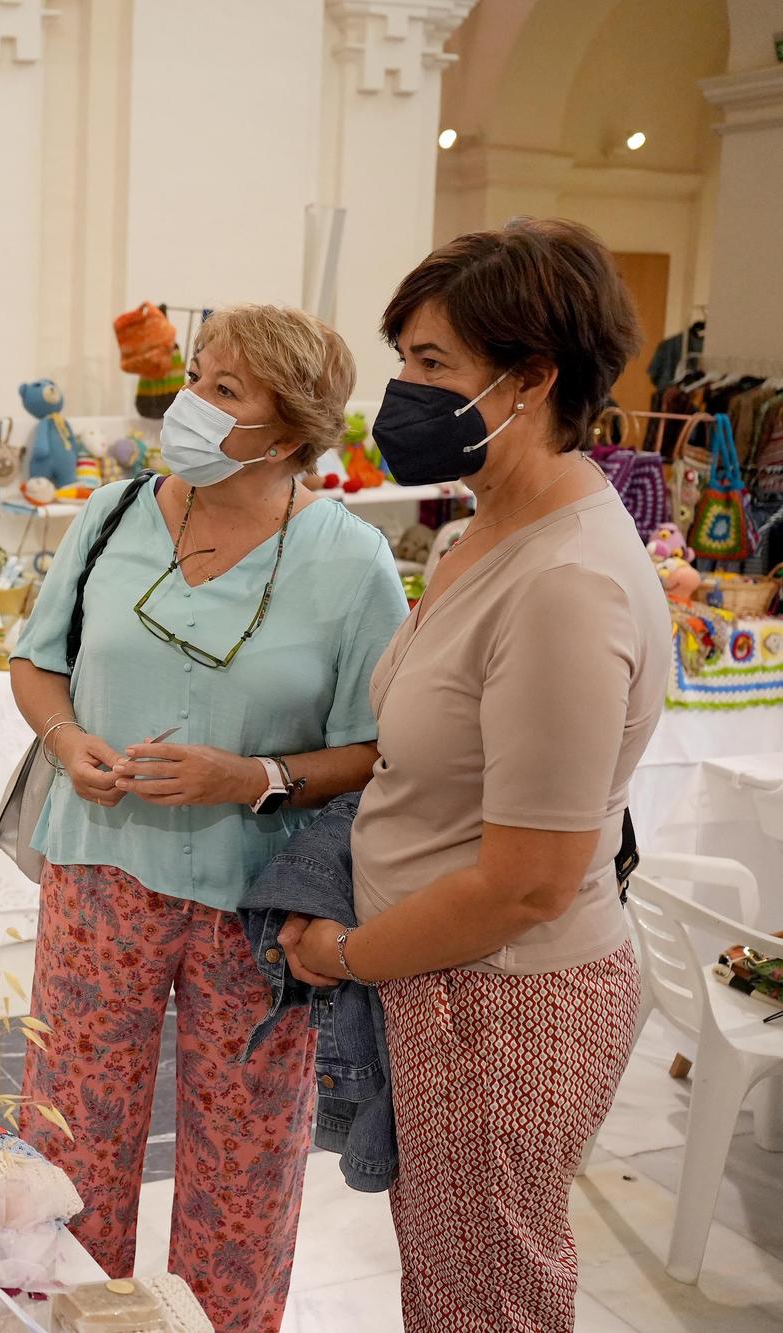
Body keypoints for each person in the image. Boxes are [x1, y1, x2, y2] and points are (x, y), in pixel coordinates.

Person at [279, 218, 665, 1331]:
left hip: (505, 998)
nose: (402, 387)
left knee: (484, 1300)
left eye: (432, 364)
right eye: (402, 357)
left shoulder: (565, 583)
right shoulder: (485, 529)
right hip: (447, 982)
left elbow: (526, 883)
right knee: (445, 1280)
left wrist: (341, 952)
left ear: (531, 377)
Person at [10, 304, 409, 1332]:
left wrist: (250, 777)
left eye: (225, 389)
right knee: (70, 1138)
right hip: (98, 870)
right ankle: (61, 1317)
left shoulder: (348, 562)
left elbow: (372, 749)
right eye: (196, 374)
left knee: (243, 1160)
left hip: (256, 901)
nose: (189, 401)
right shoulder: (108, 516)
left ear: (287, 431)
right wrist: (65, 742)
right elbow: (35, 661)